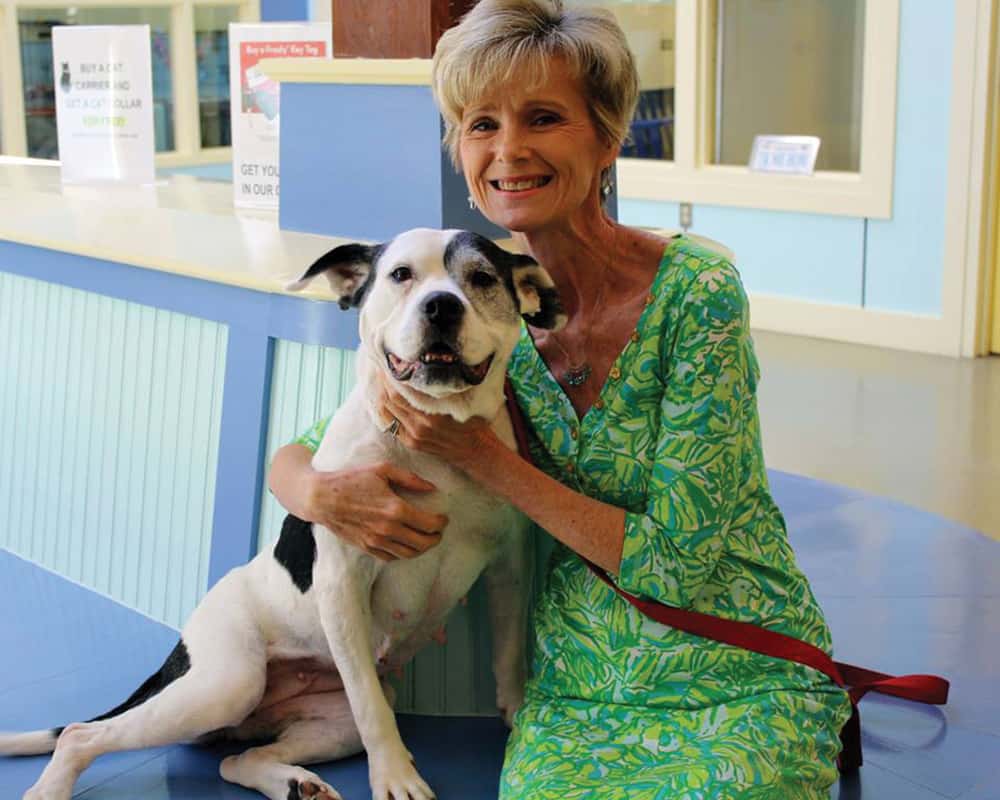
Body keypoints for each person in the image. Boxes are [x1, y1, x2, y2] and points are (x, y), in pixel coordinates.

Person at [268, 0, 852, 796]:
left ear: (608, 137)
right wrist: (320, 497)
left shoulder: (694, 294)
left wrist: (481, 458)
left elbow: (679, 565)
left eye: (543, 118)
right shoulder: (480, 326)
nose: (509, 150)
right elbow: (305, 449)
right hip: (576, 679)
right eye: (481, 125)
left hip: (736, 662)